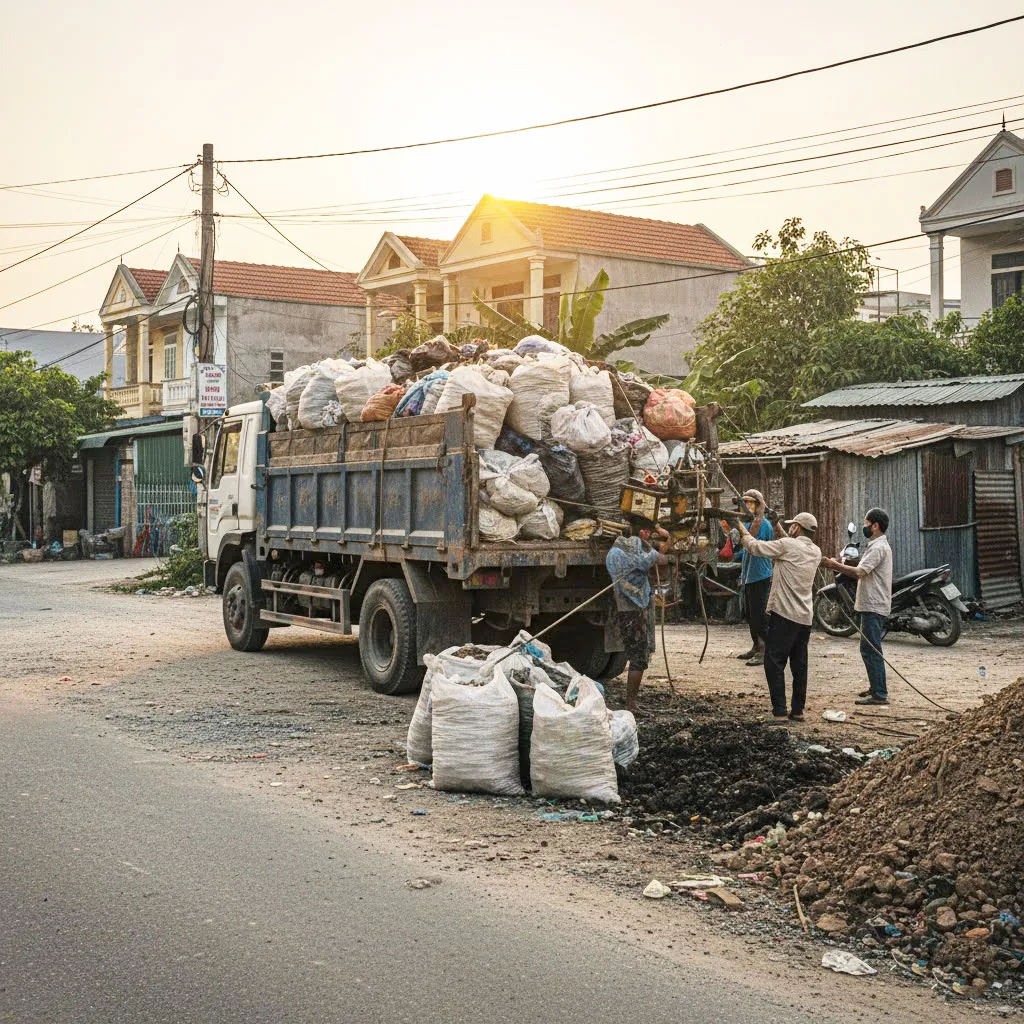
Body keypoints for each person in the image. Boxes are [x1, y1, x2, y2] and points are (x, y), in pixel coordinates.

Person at [722, 511, 822, 723]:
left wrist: (740, 527)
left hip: (785, 614)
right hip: (804, 617)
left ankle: (779, 712)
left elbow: (755, 547)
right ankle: (797, 711)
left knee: (773, 661)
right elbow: (789, 543)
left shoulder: (787, 545)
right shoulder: (815, 551)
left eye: (792, 526)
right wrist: (777, 526)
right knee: (799, 664)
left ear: (796, 527)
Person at [821, 507, 893, 706]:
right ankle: (875, 687)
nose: (864, 527)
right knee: (867, 648)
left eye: (866, 523)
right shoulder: (876, 545)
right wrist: (841, 561)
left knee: (872, 649)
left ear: (875, 526)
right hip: (871, 603)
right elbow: (862, 564)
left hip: (873, 604)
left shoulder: (878, 547)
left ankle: (880, 693)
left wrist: (834, 565)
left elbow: (860, 572)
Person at [605, 520, 672, 712]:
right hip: (633, 609)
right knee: (639, 656)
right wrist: (666, 538)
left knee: (634, 653)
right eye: (649, 533)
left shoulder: (616, 552)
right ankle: (631, 703)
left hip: (621, 606)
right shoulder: (640, 554)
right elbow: (661, 559)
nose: (650, 536)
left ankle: (631, 701)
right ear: (642, 533)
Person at [733, 489, 779, 667]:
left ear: (759, 505)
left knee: (759, 615)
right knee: (750, 614)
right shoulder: (753, 522)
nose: (747, 507)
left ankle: (764, 649)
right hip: (749, 575)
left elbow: (750, 539)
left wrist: (739, 524)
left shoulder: (762, 524)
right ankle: (756, 645)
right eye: (745, 503)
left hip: (760, 574)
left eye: (751, 503)